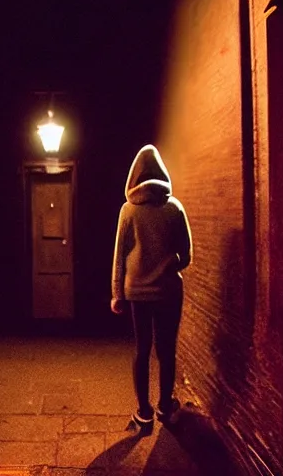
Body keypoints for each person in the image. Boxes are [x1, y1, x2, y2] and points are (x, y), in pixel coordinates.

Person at [111, 144, 192, 429]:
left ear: (134, 177)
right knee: (166, 349)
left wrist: (117, 294)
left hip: (138, 293)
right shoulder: (175, 208)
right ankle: (164, 408)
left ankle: (143, 413)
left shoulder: (128, 210)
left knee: (141, 349)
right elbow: (187, 256)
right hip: (169, 291)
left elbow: (119, 256)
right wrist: (168, 265)